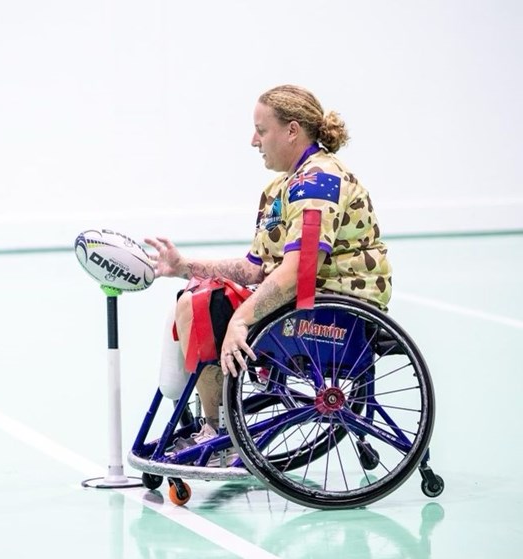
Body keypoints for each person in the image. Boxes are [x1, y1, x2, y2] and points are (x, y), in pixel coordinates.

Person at [145, 84, 392, 450]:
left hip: (338, 315)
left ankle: (220, 431)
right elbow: (255, 268)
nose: (253, 141)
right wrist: (184, 266)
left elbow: (299, 273)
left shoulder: (319, 183)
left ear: (292, 130)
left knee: (203, 306)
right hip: (307, 303)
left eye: (261, 130)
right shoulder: (281, 187)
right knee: (194, 294)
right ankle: (216, 421)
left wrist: (241, 320)